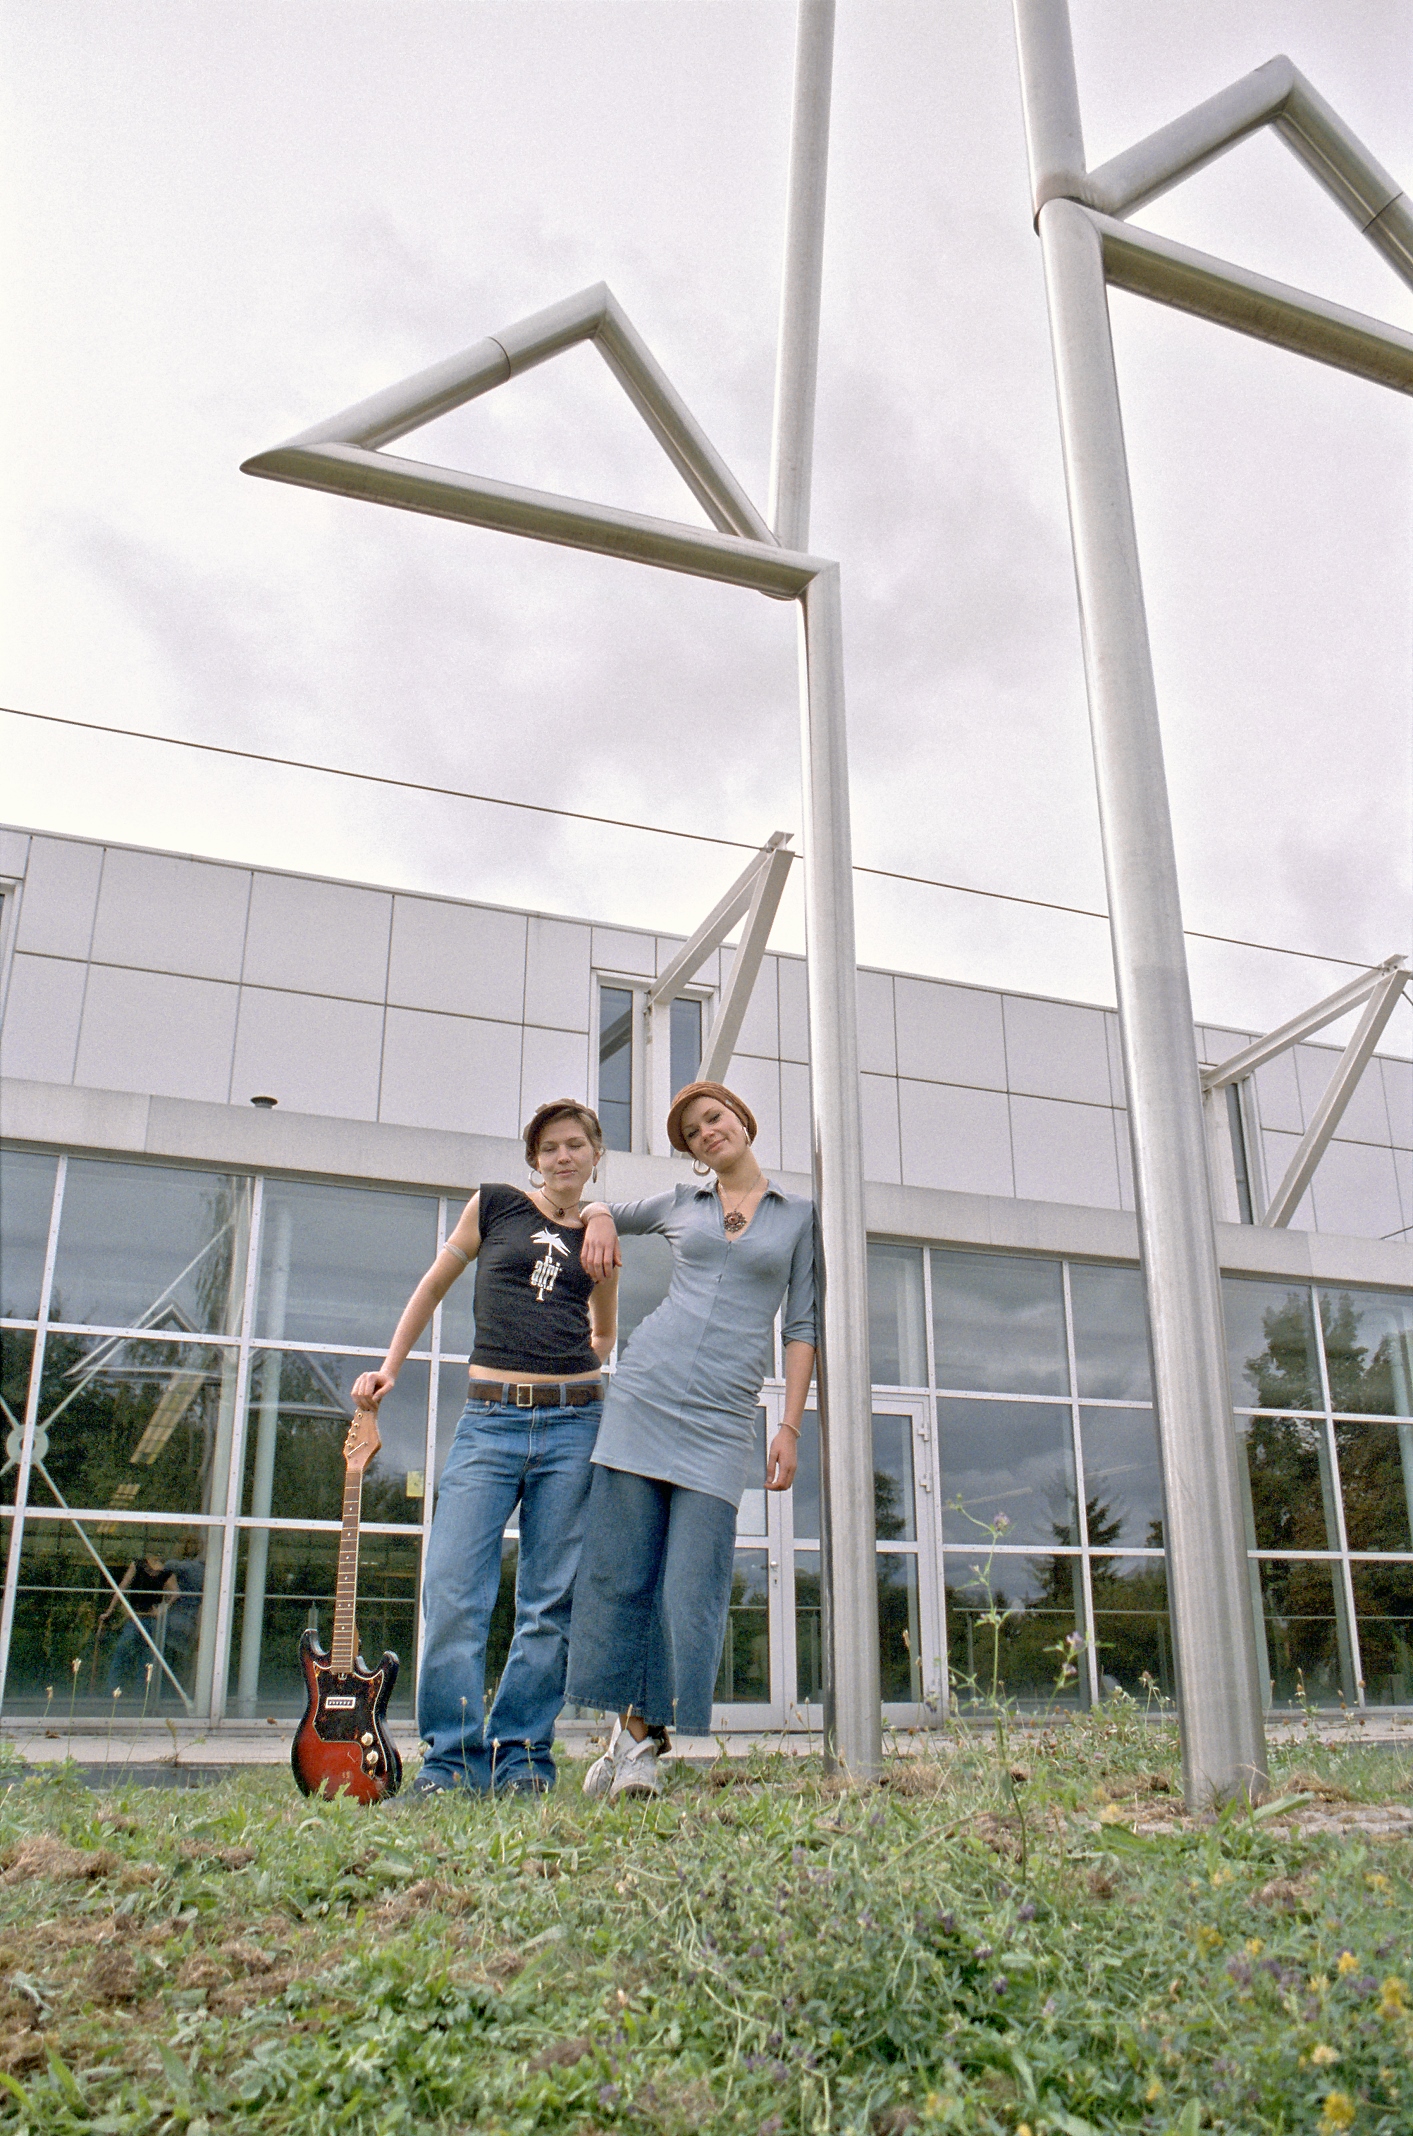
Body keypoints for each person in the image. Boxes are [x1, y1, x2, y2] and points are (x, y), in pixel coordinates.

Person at [352, 1099, 618, 1796]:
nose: (563, 1156)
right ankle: (449, 1762)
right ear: (534, 1160)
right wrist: (390, 1367)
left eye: (575, 1145)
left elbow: (604, 1334)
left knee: (549, 1603)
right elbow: (432, 1285)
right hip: (490, 1421)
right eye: (549, 1148)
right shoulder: (494, 1206)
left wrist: (600, 1218)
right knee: (452, 1592)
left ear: (595, 1155)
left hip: (573, 1425)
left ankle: (523, 1757)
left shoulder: (601, 1238)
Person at [566, 1079, 815, 1798]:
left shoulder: (799, 1216)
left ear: (742, 1119)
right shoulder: (682, 1203)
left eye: (714, 1117)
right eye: (693, 1133)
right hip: (645, 1393)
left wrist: (789, 1425)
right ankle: (637, 1744)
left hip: (722, 1418)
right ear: (694, 1153)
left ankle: (632, 1739)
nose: (707, 1132)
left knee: (689, 1585)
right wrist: (601, 1215)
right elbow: (597, 1209)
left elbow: (802, 1327)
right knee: (622, 1573)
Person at [99, 1551, 175, 1694]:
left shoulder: (165, 1571)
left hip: (150, 1620)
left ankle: (140, 1694)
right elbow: (122, 1587)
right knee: (122, 1652)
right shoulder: (139, 1565)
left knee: (146, 1660)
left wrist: (162, 1610)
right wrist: (110, 1610)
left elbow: (176, 1593)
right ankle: (113, 1691)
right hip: (135, 1617)